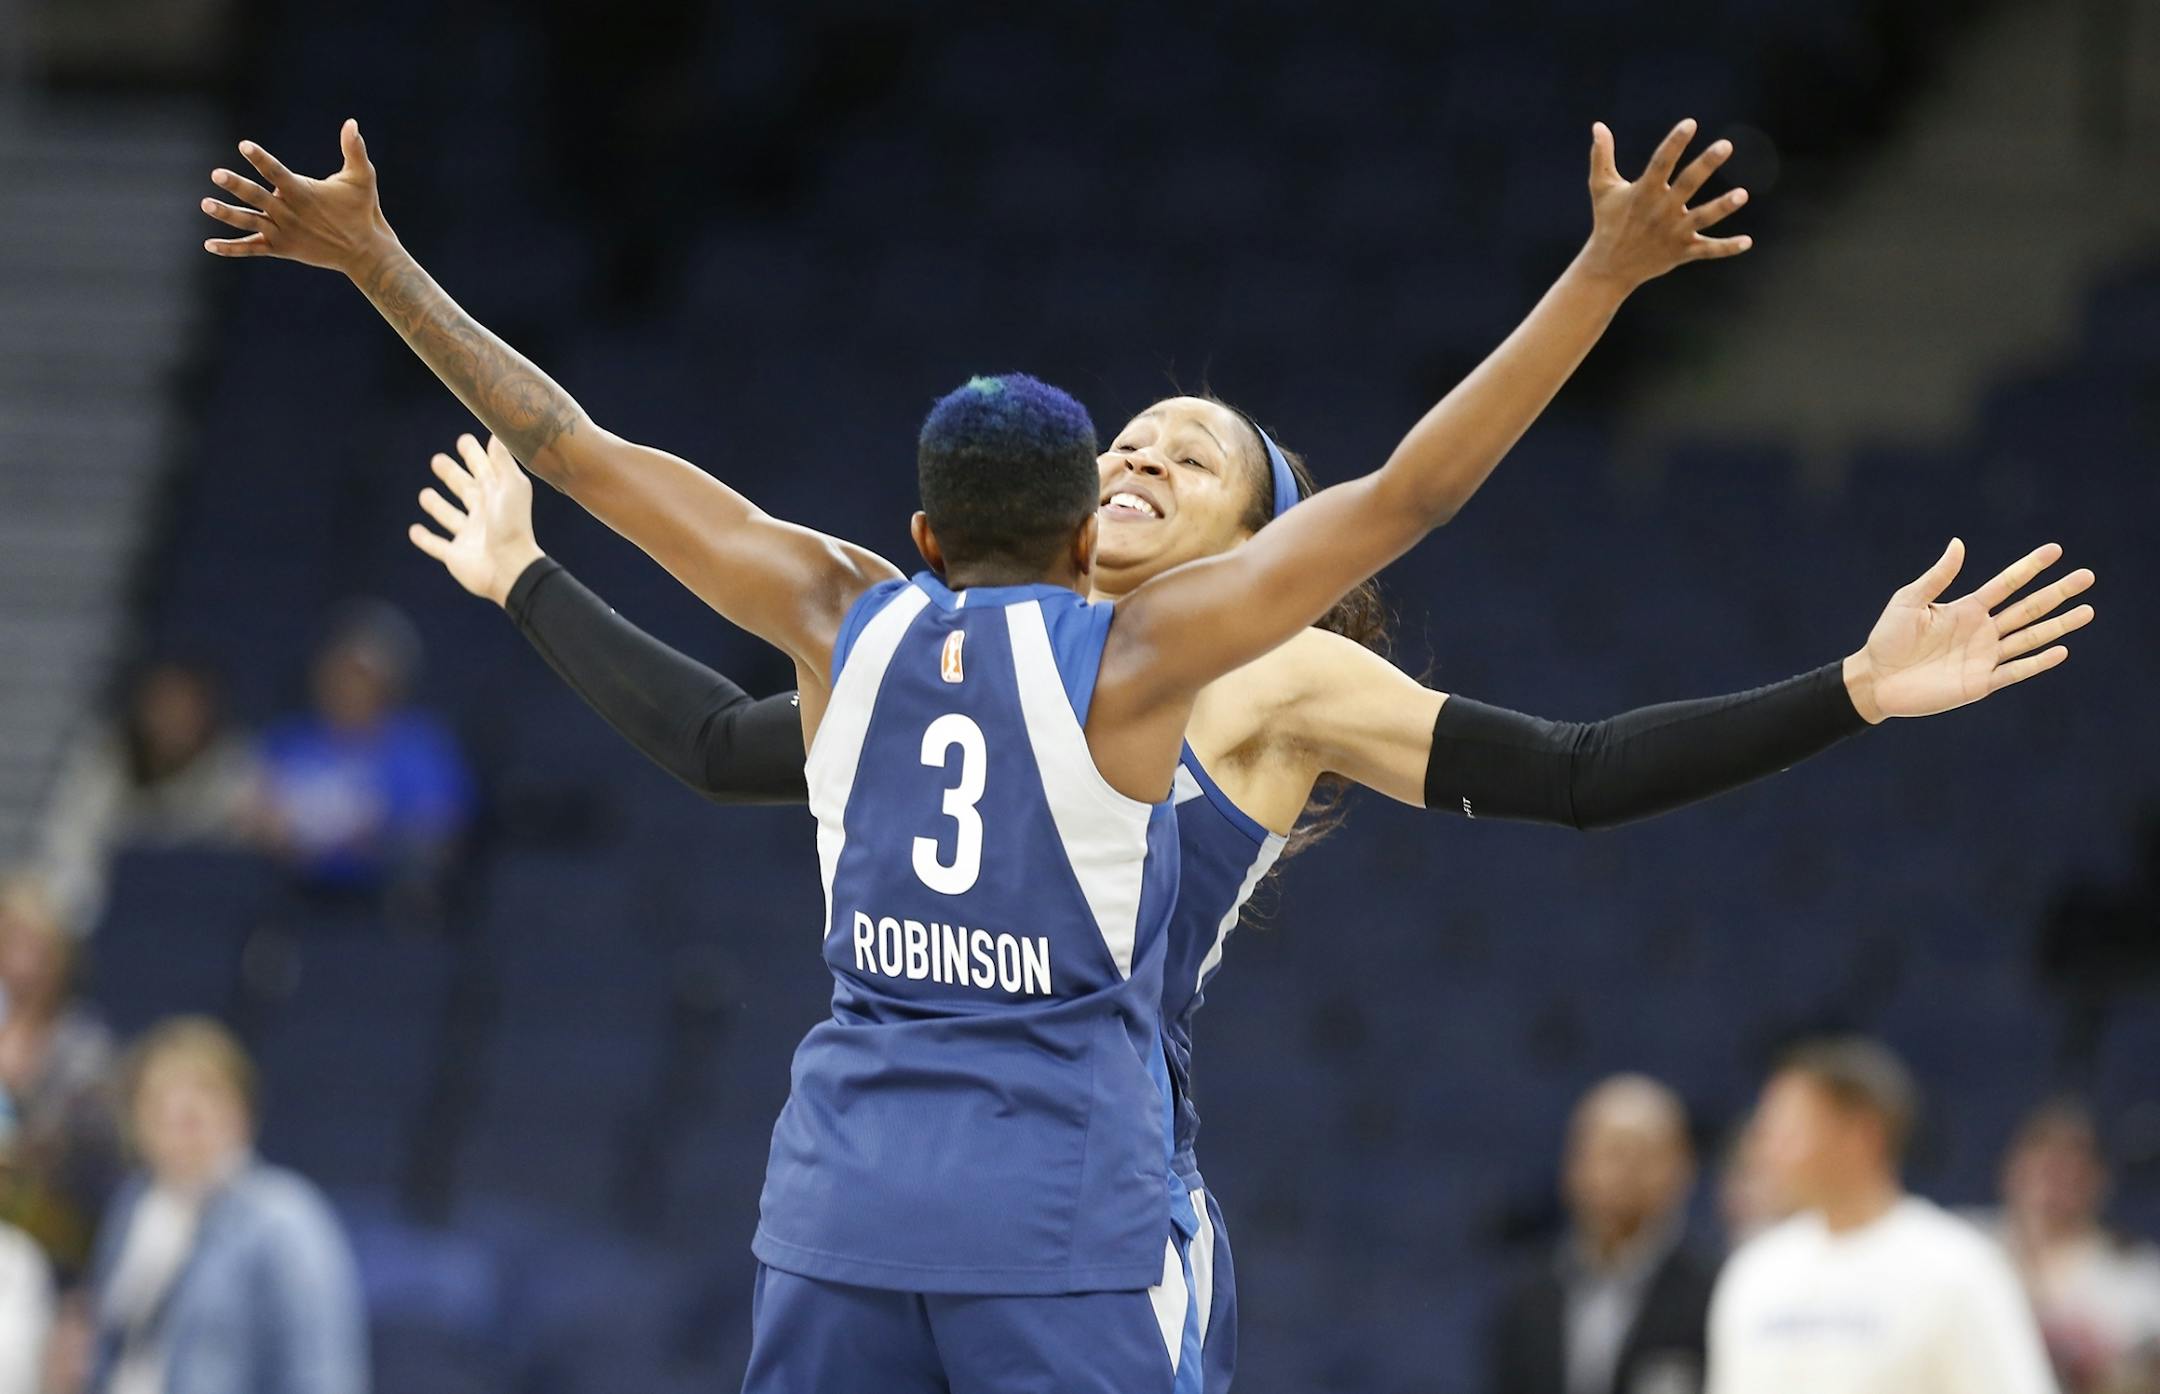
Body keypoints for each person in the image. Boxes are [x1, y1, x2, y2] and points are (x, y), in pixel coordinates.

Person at [235, 119, 2094, 1390]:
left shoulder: (1273, 672)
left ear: (1257, 525)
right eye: (1121, 440)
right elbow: (729, 746)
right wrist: (531, 583)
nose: (1135, 457)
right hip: (985, 1178)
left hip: (1096, 1182)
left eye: (1185, 453)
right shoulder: (933, 637)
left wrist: (1849, 687)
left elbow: (1584, 767)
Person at [1708, 1037, 2058, 1394]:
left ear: (1862, 1133)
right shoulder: (1755, 1272)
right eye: (1766, 1130)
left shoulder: (1958, 1268)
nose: (1767, 1148)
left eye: (1788, 1128)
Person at [84, 1017, 366, 1394]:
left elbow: (322, 1375)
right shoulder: (135, 1205)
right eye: (161, 1102)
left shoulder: (284, 1217)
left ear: (242, 1113)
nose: (182, 1115)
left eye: (203, 1096)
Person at [1490, 1075, 1718, 1394]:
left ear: (1681, 1168)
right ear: (1572, 1167)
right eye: (1607, 1153)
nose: (1620, 1172)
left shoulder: (1717, 1294)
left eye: (1640, 1154)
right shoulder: (1527, 1302)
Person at [256, 602, 475, 899]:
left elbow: (441, 836)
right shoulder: (290, 740)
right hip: (295, 896)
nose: (347, 686)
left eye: (360, 675)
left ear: (390, 683)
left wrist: (377, 838)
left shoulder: (421, 746)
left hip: (388, 902)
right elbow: (256, 819)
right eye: (339, 671)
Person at [36, 661, 262, 931]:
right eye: (165, 706)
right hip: (110, 922)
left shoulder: (234, 766)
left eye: (187, 707)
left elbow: (247, 858)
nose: (175, 719)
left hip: (203, 923)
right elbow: (67, 851)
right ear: (144, 708)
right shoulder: (102, 763)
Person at [0, 874, 124, 1284]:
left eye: (35, 947)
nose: (19, 962)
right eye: (8, 942)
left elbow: (94, 1178)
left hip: (49, 1243)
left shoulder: (85, 1051)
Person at [1991, 1100, 2160, 1393]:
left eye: (2071, 1169)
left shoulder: (2138, 1275)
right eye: (2044, 1166)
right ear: (2012, 1169)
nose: (2054, 1183)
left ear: (2099, 1180)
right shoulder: (1959, 1246)